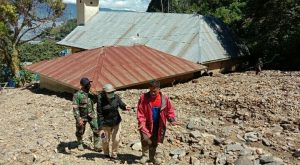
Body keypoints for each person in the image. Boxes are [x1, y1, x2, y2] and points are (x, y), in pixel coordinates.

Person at [137, 80, 176, 164]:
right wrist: (141, 123)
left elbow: (169, 110)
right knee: (145, 139)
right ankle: (144, 156)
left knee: (155, 141)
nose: (152, 93)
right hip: (146, 124)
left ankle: (152, 157)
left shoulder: (164, 99)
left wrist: (171, 119)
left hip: (158, 124)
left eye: (154, 91)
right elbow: (140, 112)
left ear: (159, 89)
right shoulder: (143, 97)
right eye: (150, 90)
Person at [97, 84, 130, 159]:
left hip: (116, 122)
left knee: (116, 139)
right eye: (109, 92)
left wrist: (125, 107)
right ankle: (106, 154)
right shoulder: (100, 100)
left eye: (112, 92)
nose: (111, 93)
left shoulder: (116, 97)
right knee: (104, 140)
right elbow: (99, 114)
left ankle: (114, 155)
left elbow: (121, 104)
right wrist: (101, 127)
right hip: (105, 124)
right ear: (104, 93)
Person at [72, 77, 101, 151]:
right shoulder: (77, 95)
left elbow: (99, 100)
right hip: (82, 116)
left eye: (89, 83)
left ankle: (97, 146)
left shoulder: (91, 93)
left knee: (96, 130)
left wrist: (96, 94)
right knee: (80, 131)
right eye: (88, 84)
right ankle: (80, 143)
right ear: (83, 85)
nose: (89, 85)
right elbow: (75, 108)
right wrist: (78, 119)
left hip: (91, 115)